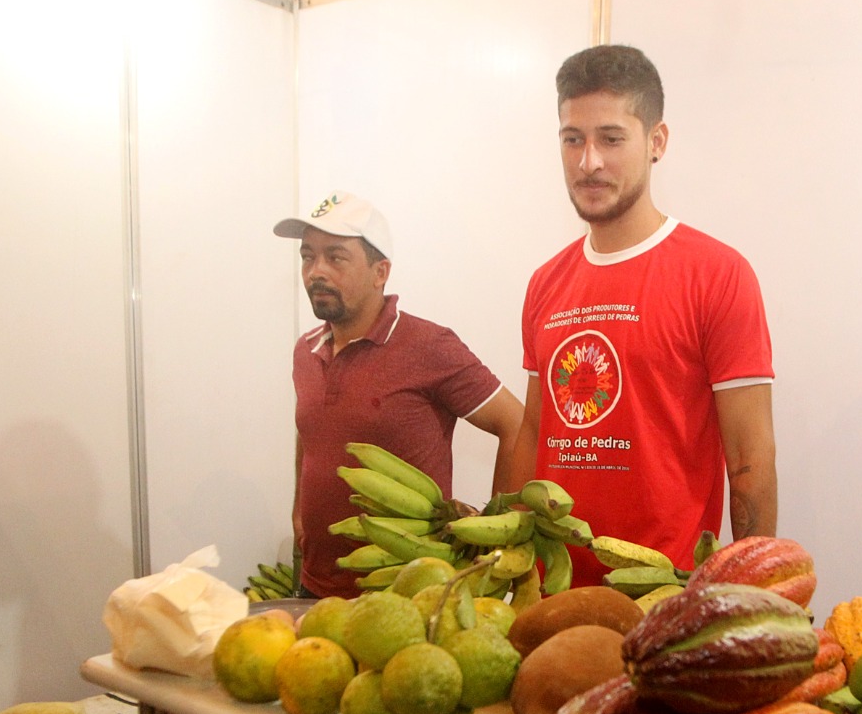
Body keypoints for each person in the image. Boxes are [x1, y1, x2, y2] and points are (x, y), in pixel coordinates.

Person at [503, 44, 778, 586]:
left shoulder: (717, 274)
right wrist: (507, 558)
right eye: (572, 139)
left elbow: (749, 455)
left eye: (611, 138)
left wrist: (753, 596)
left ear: (656, 142)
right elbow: (534, 432)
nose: (589, 162)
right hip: (550, 591)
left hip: (662, 594)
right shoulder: (544, 283)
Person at [275, 191, 523, 598]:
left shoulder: (429, 346)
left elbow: (515, 422)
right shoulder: (306, 350)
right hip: (316, 585)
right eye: (308, 256)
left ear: (380, 272)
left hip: (410, 594)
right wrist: (299, 513)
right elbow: (311, 432)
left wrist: (497, 530)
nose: (316, 271)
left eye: (335, 257)